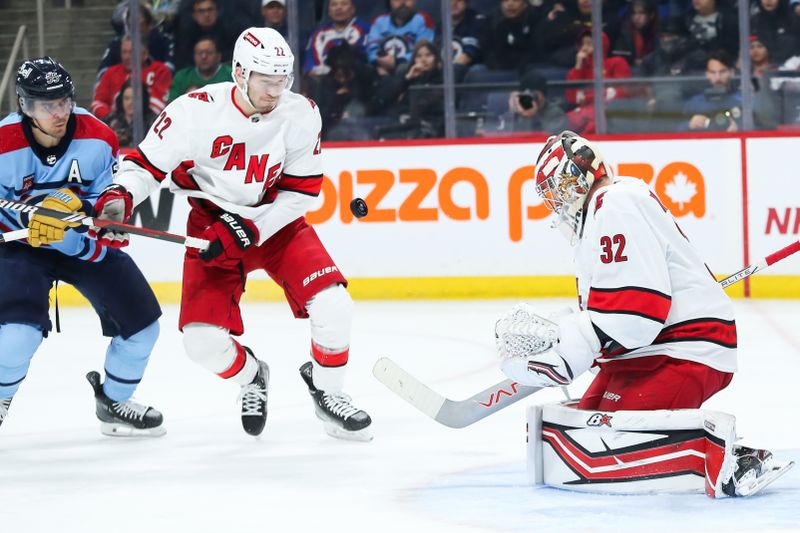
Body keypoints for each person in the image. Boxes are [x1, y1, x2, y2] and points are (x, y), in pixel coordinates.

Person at [92, 28, 373, 441]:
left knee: (334, 305)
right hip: (212, 227)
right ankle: (252, 375)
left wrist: (254, 227)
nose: (276, 90)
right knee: (200, 343)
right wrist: (121, 197)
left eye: (283, 79)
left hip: (277, 224)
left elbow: (300, 194)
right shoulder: (194, 112)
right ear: (240, 73)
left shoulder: (300, 113)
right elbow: (145, 165)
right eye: (267, 79)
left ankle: (328, 392)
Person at [495, 130, 792, 497]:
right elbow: (620, 313)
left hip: (684, 349)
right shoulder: (597, 215)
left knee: (610, 443)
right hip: (647, 351)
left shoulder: (616, 201)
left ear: (577, 175)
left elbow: (639, 310)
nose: (554, 201)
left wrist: (584, 341)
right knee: (581, 428)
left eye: (556, 187)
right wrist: (581, 339)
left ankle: (732, 457)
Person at [0, 57, 164, 437]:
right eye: (46, 105)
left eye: (64, 102)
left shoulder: (98, 137)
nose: (58, 113)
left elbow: (105, 198)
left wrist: (98, 212)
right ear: (25, 106)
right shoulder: (2, 143)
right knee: (18, 335)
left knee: (142, 326)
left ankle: (114, 401)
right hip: (19, 247)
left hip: (76, 242)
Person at [91, 35, 172, 121]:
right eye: (124, 52)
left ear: (145, 54)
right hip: (115, 127)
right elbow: (97, 103)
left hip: (149, 127)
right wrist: (113, 118)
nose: (126, 57)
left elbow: (160, 104)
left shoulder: (160, 71)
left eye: (131, 52)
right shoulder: (110, 73)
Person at [169, 36, 232, 102]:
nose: (203, 56)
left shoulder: (231, 75)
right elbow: (171, 105)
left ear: (219, 56)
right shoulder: (182, 77)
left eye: (209, 52)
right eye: (199, 53)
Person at [104, 79, 159, 147]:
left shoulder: (154, 122)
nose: (130, 103)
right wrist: (111, 139)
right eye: (126, 98)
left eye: (134, 98)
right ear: (121, 100)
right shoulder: (110, 119)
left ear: (143, 99)